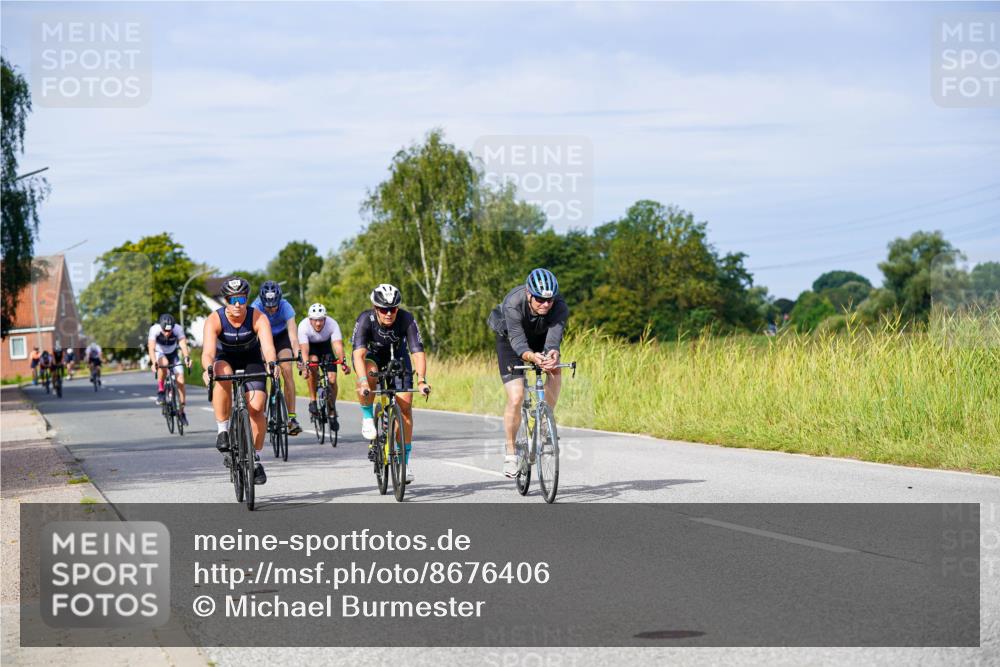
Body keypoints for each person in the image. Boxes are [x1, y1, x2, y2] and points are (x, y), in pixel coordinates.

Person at [487, 268, 569, 478]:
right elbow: (518, 342)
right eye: (540, 299)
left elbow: (553, 340)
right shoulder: (513, 303)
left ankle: (545, 420)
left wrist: (552, 354)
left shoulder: (559, 306)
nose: (545, 304)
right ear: (529, 294)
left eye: (549, 300)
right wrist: (532, 357)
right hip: (510, 339)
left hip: (539, 336)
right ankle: (511, 454)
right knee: (516, 397)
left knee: (555, 368)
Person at [200, 278, 278, 486]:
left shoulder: (258, 317)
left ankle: (255, 458)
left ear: (247, 299)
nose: (237, 304)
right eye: (232, 300)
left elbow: (268, 348)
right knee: (220, 371)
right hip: (225, 359)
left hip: (252, 361)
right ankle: (223, 430)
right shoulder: (214, 319)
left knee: (257, 407)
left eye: (241, 299)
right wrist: (207, 369)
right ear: (225, 300)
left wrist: (272, 363)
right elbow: (208, 353)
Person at [352, 284, 430, 483]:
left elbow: (417, 352)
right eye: (384, 309)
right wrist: (363, 382)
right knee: (368, 374)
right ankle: (368, 417)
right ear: (375, 308)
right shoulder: (365, 319)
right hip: (372, 357)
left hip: (397, 358)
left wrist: (421, 380)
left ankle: (404, 463)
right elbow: (358, 355)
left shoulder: (406, 319)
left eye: (393, 309)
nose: (389, 313)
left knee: (405, 407)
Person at [251, 281, 302, 435]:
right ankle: (263, 414)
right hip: (262, 338)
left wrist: (298, 355)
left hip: (281, 337)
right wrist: (265, 359)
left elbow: (293, 336)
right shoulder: (255, 307)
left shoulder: (286, 307)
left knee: (287, 369)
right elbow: (254, 337)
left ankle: (291, 418)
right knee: (263, 373)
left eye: (274, 306)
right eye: (268, 307)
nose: (272, 310)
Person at [297, 303, 349, 431]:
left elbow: (337, 346)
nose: (318, 323)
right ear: (310, 319)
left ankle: (332, 410)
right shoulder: (303, 326)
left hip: (326, 348)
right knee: (313, 363)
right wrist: (306, 366)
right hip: (311, 348)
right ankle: (313, 400)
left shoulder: (332, 324)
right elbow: (304, 349)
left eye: (321, 320)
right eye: (315, 320)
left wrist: (343, 362)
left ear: (325, 318)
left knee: (332, 379)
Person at [147, 313, 192, 426]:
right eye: (165, 331)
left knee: (181, 381)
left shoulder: (178, 329)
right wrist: (154, 362)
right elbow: (151, 348)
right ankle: (161, 390)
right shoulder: (155, 329)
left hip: (173, 354)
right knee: (164, 364)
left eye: (169, 331)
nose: (167, 333)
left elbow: (183, 345)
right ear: (161, 327)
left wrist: (187, 358)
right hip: (160, 353)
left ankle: (181, 412)